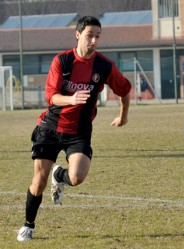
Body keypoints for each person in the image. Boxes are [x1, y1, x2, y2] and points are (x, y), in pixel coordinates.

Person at [17, 16, 132, 241]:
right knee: (38, 182)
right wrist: (72, 99)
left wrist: (123, 117)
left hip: (79, 130)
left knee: (77, 177)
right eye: (89, 35)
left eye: (97, 36)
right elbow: (51, 96)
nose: (94, 41)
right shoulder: (62, 61)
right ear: (78, 35)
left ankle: (60, 175)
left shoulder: (105, 66)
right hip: (50, 128)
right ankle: (28, 225)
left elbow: (125, 90)